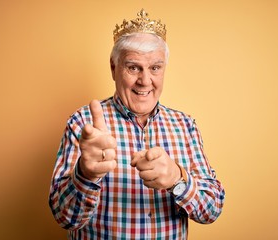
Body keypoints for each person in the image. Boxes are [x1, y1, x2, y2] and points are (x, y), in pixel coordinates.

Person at [49, 9, 225, 239]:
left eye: (155, 68)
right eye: (133, 67)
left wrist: (177, 178)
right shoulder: (83, 123)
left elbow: (211, 210)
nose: (144, 81)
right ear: (114, 68)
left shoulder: (185, 125)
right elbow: (64, 218)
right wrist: (85, 174)